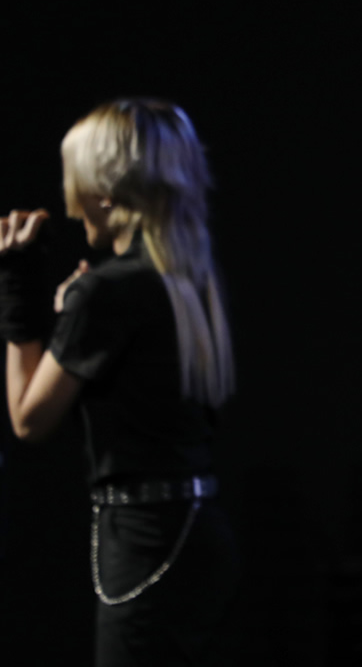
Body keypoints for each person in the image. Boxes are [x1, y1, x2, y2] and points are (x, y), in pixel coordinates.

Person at [0, 99, 239, 666]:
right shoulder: (190, 283)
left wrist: (17, 292)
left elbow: (28, 420)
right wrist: (74, 319)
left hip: (142, 541)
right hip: (201, 532)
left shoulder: (105, 292)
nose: (70, 202)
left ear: (105, 191)